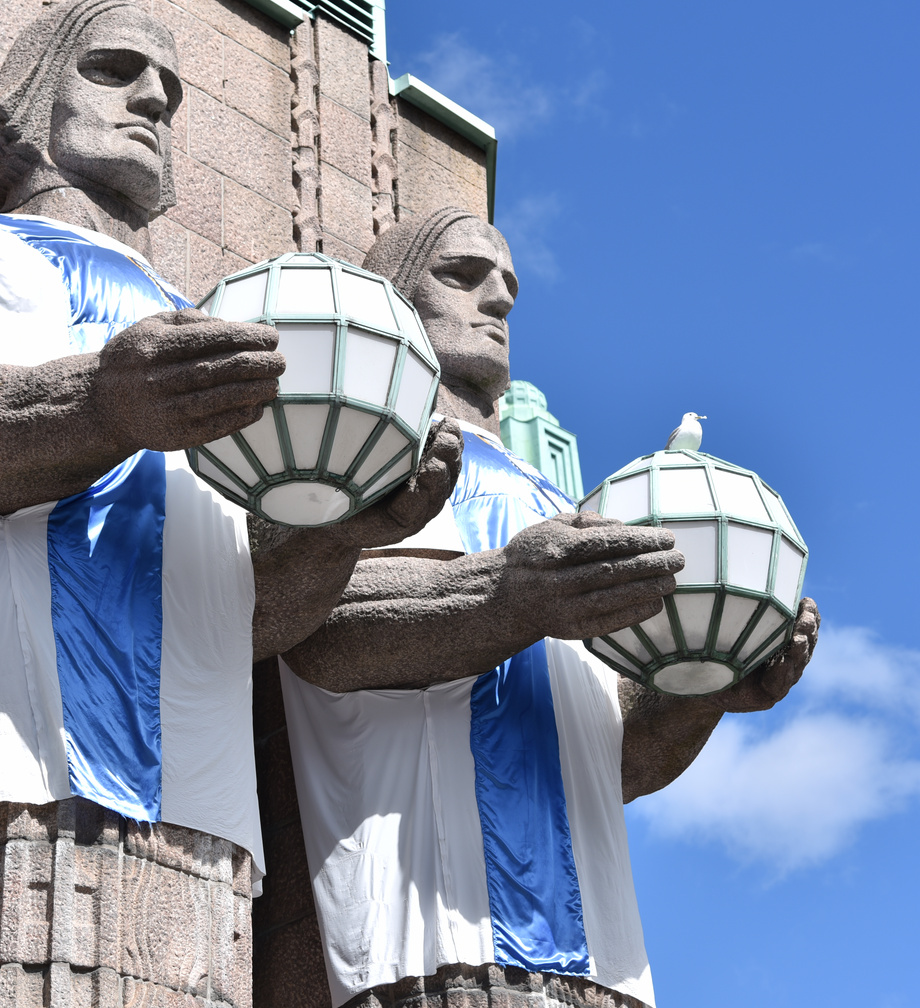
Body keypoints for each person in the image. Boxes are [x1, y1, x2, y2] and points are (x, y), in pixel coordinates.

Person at [0, 0, 462, 888]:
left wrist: (343, 527)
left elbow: (243, 617)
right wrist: (103, 405)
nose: (153, 100)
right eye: (114, 69)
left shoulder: (207, 324)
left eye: (169, 87)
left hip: (196, 811)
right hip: (10, 757)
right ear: (35, 92)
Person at [279, 208, 821, 1006]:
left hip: (604, 965)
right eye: (461, 276)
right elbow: (312, 625)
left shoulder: (564, 503)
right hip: (433, 939)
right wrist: (511, 594)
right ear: (393, 293)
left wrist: (703, 689)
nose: (497, 300)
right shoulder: (359, 445)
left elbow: (620, 758)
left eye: (507, 287)